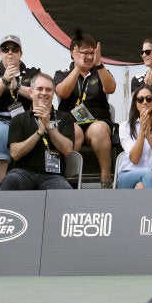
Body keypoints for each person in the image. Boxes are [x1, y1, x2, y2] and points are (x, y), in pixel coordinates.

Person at [54, 31, 116, 188]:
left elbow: (110, 88)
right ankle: (62, 176)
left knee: (99, 129)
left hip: (97, 119)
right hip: (70, 120)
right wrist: (77, 68)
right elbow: (62, 92)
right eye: (84, 53)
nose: (89, 57)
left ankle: (105, 178)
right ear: (73, 53)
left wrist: (99, 64)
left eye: (92, 52)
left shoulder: (100, 71)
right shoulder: (62, 73)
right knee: (74, 131)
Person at [0, 34, 40, 189]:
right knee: (1, 134)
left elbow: (40, 96)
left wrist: (18, 87)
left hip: (26, 122)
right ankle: (0, 184)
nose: (10, 52)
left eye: (14, 49)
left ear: (21, 53)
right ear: (0, 53)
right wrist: (4, 81)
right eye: (5, 49)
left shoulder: (33, 72)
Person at [0, 73, 75, 190]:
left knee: (65, 189)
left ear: (53, 94)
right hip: (23, 173)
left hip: (53, 176)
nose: (44, 93)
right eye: (39, 89)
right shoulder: (19, 119)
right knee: (10, 181)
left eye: (49, 90)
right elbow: (15, 154)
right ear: (31, 92)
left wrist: (49, 126)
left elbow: (67, 150)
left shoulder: (65, 117)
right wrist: (39, 132)